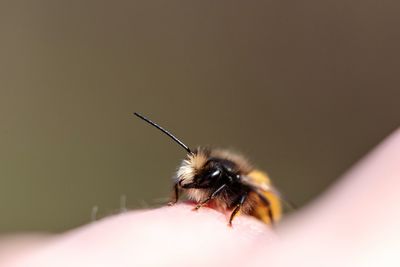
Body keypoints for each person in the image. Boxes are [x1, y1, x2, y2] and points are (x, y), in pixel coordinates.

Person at [1, 129, 400, 267]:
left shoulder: (238, 183)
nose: (194, 184)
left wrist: (232, 218)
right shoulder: (202, 174)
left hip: (260, 215)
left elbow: (256, 198)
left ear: (221, 178)